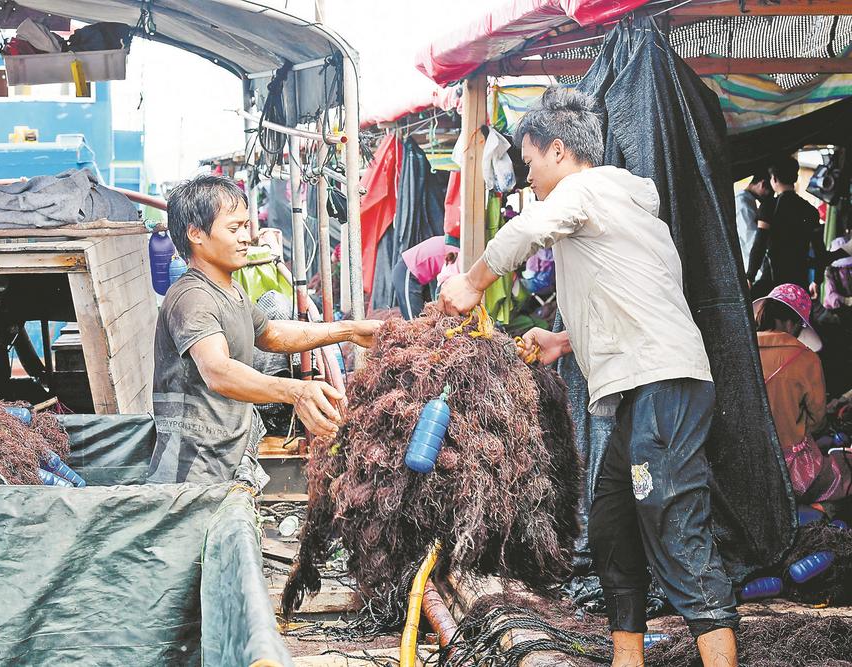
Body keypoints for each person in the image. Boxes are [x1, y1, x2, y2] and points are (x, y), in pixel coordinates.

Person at [437, 87, 739, 667]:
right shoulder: (617, 207)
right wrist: (563, 341)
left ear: (558, 152)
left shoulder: (586, 189)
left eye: (528, 163)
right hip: (637, 389)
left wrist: (473, 282)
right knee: (612, 531)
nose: (527, 178)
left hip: (664, 387)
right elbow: (637, 301)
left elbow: (524, 233)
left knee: (676, 527)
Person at [147, 175, 381, 486]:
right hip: (194, 470)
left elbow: (269, 334)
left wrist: (347, 331)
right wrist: (294, 391)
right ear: (195, 234)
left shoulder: (231, 291)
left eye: (246, 226)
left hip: (227, 456)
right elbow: (218, 371)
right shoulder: (192, 299)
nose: (245, 237)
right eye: (234, 229)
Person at [755, 284, 852, 503]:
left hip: (746, 465)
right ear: (792, 322)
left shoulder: (741, 348)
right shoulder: (806, 359)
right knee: (844, 469)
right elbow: (817, 421)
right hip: (791, 472)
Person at [746, 156, 826, 299]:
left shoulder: (768, 207)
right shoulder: (810, 211)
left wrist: (750, 276)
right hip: (799, 280)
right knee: (797, 319)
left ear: (774, 179)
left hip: (773, 279)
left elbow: (760, 243)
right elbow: (819, 249)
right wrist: (816, 280)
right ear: (795, 178)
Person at [392, 235, 449, 319]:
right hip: (407, 272)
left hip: (423, 278)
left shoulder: (455, 242)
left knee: (427, 320)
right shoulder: (456, 252)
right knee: (414, 323)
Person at [735, 170, 771, 279]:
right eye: (769, 191)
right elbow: (751, 240)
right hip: (752, 268)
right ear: (762, 184)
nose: (769, 196)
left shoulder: (748, 201)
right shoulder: (743, 204)